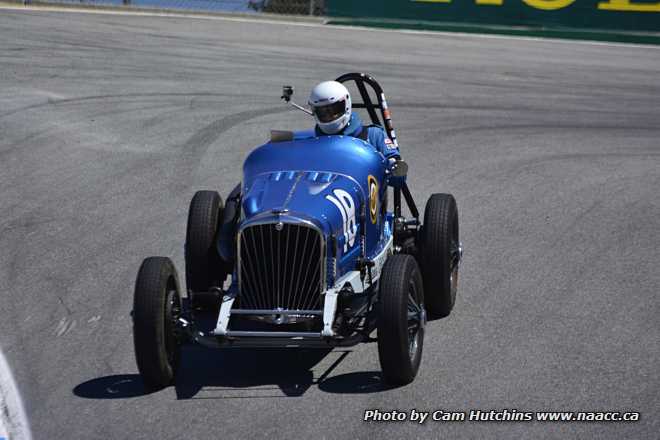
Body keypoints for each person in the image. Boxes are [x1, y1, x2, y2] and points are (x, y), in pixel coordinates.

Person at [308, 81, 402, 165]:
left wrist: (393, 165)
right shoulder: (312, 143)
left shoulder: (373, 135)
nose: (328, 116)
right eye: (323, 113)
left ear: (346, 105)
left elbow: (399, 174)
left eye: (334, 111)